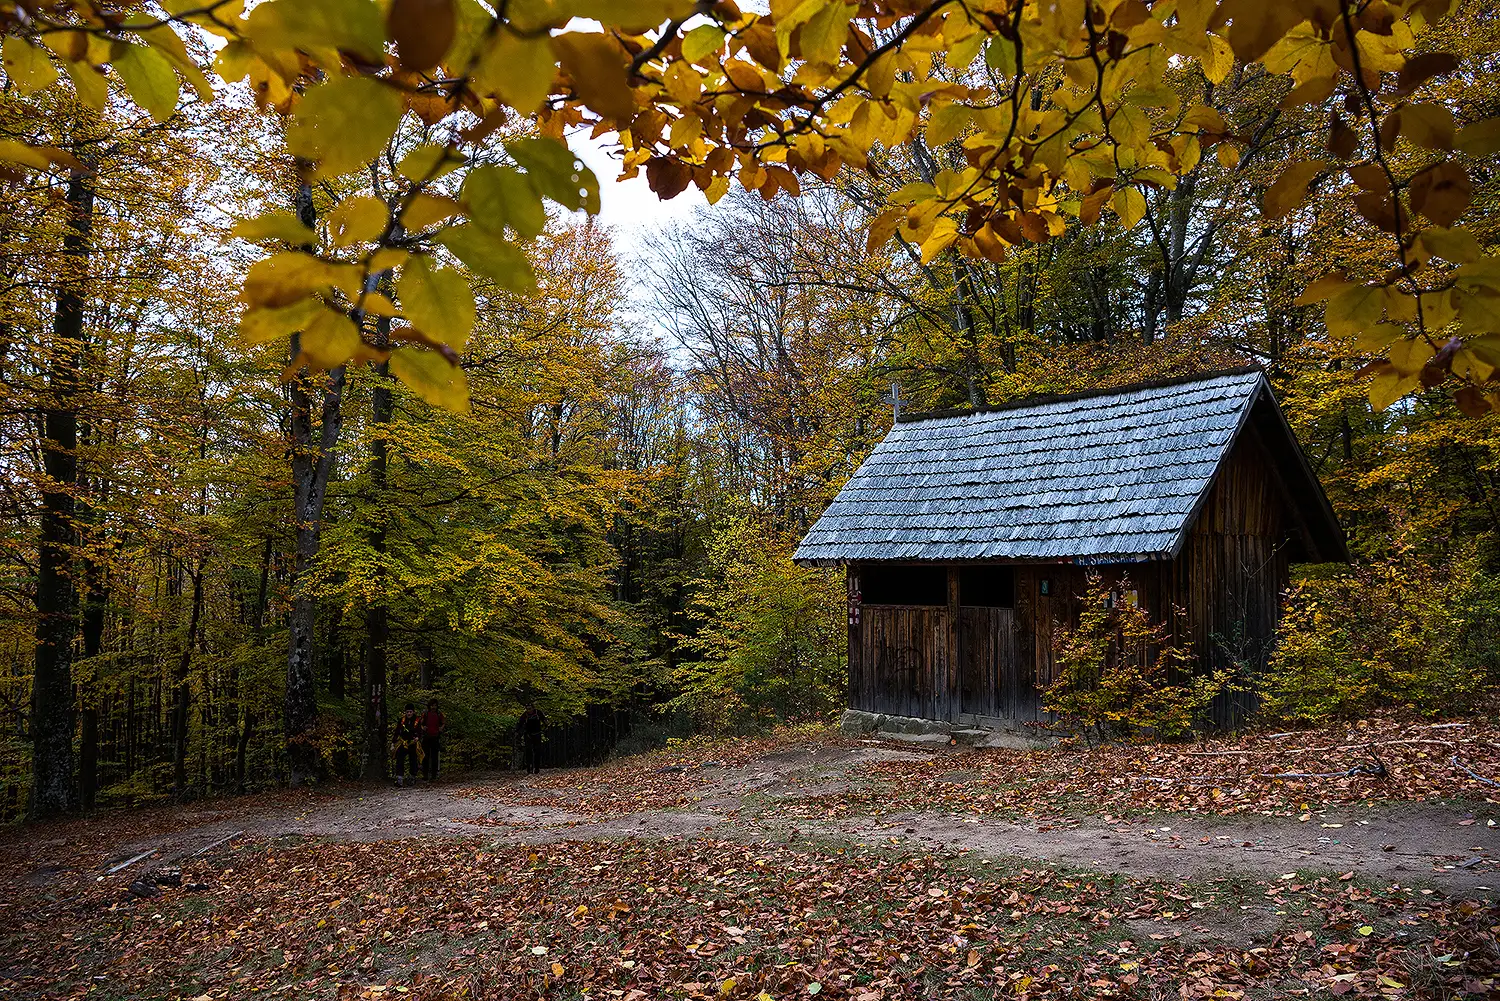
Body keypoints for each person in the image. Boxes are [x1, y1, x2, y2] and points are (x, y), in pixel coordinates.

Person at [392, 702, 422, 786]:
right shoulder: (402, 720)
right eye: (407, 712)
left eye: (410, 712)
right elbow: (397, 731)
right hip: (403, 742)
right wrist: (393, 742)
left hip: (413, 743)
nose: (409, 713)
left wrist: (418, 737)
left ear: (413, 712)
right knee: (399, 759)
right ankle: (399, 778)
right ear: (405, 712)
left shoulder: (417, 720)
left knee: (413, 760)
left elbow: (420, 731)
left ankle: (412, 777)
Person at [420, 698, 446, 781]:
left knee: (435, 757)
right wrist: (423, 727)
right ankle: (425, 774)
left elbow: (443, 722)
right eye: (432, 705)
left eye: (435, 705)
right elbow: (420, 723)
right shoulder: (426, 714)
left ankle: (434, 775)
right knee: (425, 757)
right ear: (429, 706)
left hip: (435, 737)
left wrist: (441, 728)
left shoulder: (439, 714)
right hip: (426, 737)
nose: (433, 707)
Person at [518, 702, 544, 775]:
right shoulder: (524, 715)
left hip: (537, 733)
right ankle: (529, 768)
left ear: (533, 708)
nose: (528, 710)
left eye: (529, 709)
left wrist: (545, 726)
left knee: (537, 751)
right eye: (527, 709)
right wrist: (517, 731)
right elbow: (520, 723)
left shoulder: (538, 713)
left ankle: (537, 768)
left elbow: (544, 720)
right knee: (528, 751)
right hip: (528, 734)